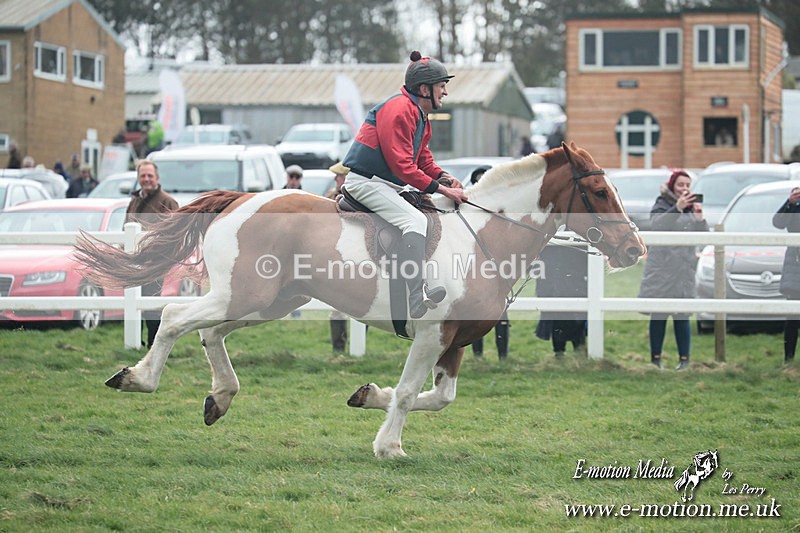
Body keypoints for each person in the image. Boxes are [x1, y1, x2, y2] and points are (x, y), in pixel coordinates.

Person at [342, 50, 468, 319]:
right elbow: (403, 167)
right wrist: (443, 189)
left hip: (385, 185)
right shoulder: (400, 111)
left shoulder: (419, 115)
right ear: (424, 89)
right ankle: (417, 293)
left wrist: (444, 177)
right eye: (442, 86)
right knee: (415, 221)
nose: (445, 92)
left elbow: (423, 160)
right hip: (366, 183)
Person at [638, 169, 708, 370]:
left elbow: (705, 237)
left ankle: (684, 361)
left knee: (682, 314)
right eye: (680, 185)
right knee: (658, 314)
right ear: (671, 186)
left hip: (684, 270)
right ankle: (655, 360)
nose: (684, 189)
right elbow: (657, 225)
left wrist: (700, 220)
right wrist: (677, 208)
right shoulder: (661, 204)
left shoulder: (691, 208)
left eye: (687, 185)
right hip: (662, 269)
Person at [126, 159, 179, 347]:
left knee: (151, 305)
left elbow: (175, 234)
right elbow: (126, 230)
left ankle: (153, 345)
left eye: (150, 175)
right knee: (132, 304)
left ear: (157, 177)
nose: (146, 179)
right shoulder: (134, 201)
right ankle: (135, 343)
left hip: (155, 263)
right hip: (134, 263)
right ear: (138, 178)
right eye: (143, 176)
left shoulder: (168, 203)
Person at [467, 164, 510, 358]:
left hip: (499, 264)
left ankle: (503, 355)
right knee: (476, 309)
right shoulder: (468, 208)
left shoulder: (505, 209)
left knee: (500, 310)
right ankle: (478, 355)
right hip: (473, 265)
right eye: (477, 181)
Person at [535, 243, 588, 358]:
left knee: (577, 319)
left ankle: (579, 352)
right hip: (552, 284)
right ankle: (559, 353)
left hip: (575, 283)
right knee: (557, 320)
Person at [772, 186, 800, 364]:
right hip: (795, 263)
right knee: (792, 316)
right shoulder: (795, 203)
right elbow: (778, 222)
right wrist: (789, 203)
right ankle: (788, 360)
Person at [326, 161, 350, 352]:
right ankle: (339, 349)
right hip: (334, 258)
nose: (336, 179)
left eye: (339, 176)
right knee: (337, 309)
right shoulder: (330, 199)